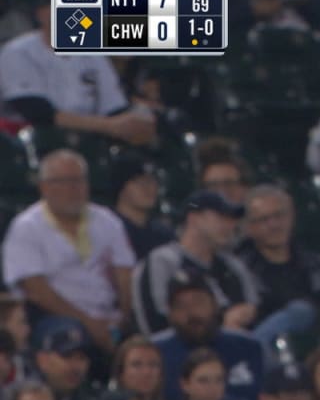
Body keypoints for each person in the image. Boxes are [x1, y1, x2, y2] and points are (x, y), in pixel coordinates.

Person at [2, 150, 135, 357]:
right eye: (64, 182)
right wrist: (89, 323)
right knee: (70, 337)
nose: (74, 189)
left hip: (109, 316)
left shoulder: (107, 221)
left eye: (79, 181)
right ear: (44, 187)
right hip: (54, 316)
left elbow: (125, 275)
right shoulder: (26, 227)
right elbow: (36, 290)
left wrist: (125, 317)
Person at [0, 0, 155, 146]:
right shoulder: (18, 51)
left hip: (90, 140)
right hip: (32, 140)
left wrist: (133, 123)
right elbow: (37, 112)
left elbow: (114, 107)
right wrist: (109, 125)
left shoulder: (92, 53)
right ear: (41, 14)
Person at [133, 190, 259, 337]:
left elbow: (254, 309)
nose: (230, 225)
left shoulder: (233, 266)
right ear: (194, 218)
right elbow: (156, 320)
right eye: (222, 217)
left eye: (232, 219)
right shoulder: (163, 261)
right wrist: (221, 324)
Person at [154, 270, 264, 400]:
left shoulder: (248, 347)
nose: (191, 313)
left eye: (198, 303)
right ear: (170, 314)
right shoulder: (156, 353)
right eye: (181, 306)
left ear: (215, 306)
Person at [234, 184, 320, 330]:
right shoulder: (240, 272)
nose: (274, 225)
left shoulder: (317, 266)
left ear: (292, 216)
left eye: (279, 215)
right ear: (248, 228)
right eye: (264, 219)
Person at [110, 152, 174, 260]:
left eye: (153, 181)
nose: (149, 188)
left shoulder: (163, 235)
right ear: (121, 186)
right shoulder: (106, 228)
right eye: (140, 181)